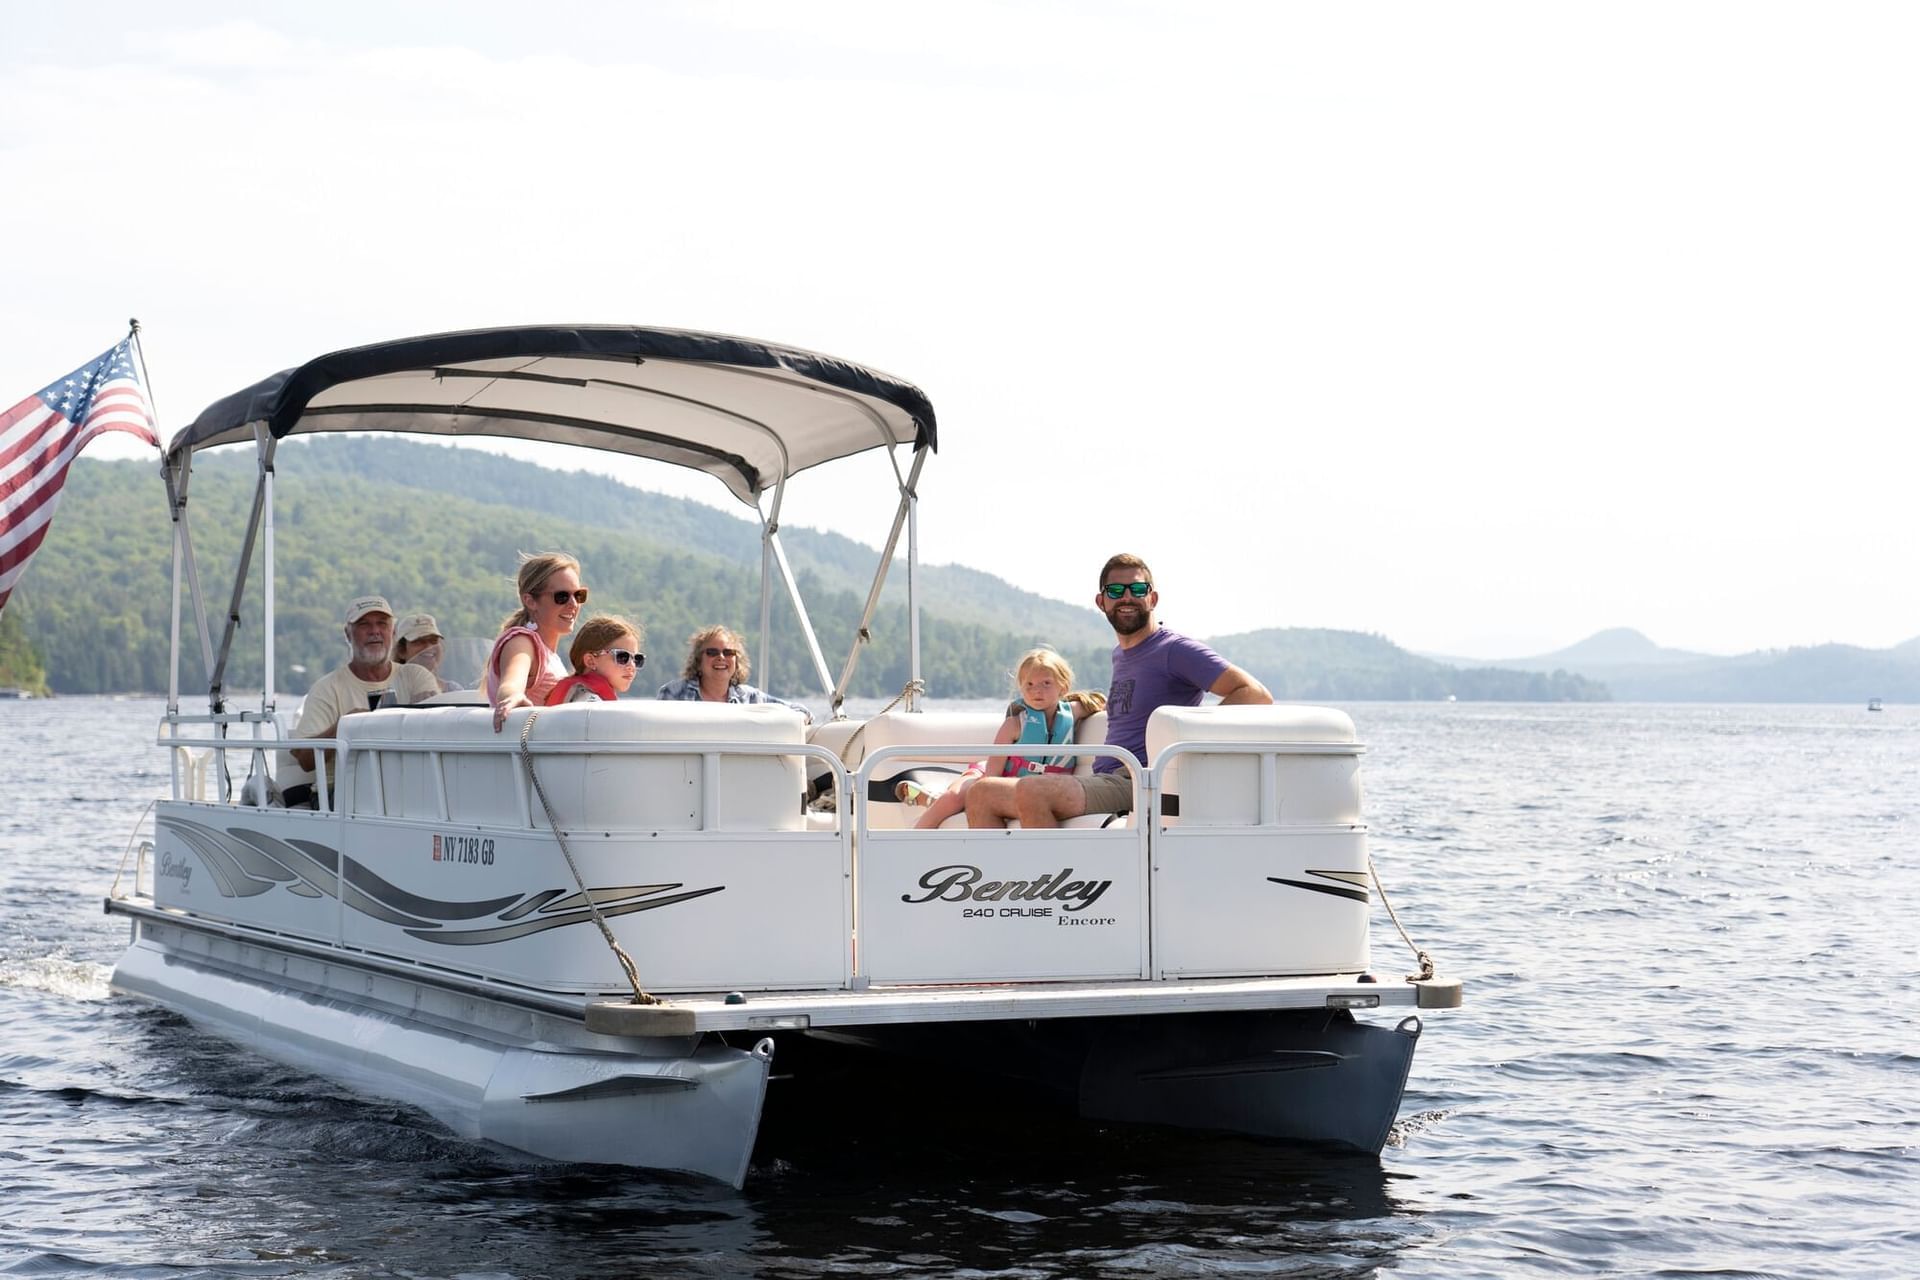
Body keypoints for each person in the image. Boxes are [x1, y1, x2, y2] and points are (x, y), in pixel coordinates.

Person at [965, 554, 1272, 828]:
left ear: (1152, 598)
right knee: (981, 793)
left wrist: (1189, 741)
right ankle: (1002, 877)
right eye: (1116, 591)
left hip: (1141, 780)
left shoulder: (1174, 650)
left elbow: (1255, 693)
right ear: (1102, 602)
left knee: (1034, 791)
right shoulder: (1121, 655)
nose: (1127, 597)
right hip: (1106, 777)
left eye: (1137, 589)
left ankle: (1051, 876)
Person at [903, 647, 1100, 830]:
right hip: (992, 775)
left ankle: (929, 798)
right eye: (1029, 684)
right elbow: (990, 778)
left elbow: (1102, 703)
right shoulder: (1013, 725)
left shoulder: (1073, 712)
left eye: (1046, 683)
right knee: (955, 797)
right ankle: (914, 837)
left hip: (1041, 789)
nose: (1037, 690)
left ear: (1063, 686)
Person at [279, 594, 440, 808]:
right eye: (364, 624)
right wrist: (345, 727)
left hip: (405, 786)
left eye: (382, 624)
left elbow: (439, 733)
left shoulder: (416, 677)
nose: (375, 631)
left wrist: (428, 711)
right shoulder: (327, 688)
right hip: (342, 791)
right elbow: (305, 760)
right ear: (348, 634)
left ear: (392, 632)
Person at [487, 553, 586, 731]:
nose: (573, 604)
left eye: (579, 595)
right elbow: (511, 683)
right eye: (562, 596)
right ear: (531, 601)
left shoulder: (549, 654)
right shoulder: (522, 642)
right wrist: (513, 696)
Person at [656, 625, 811, 721]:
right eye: (712, 652)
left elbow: (802, 711)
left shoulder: (751, 698)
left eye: (728, 652)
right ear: (698, 660)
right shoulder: (673, 693)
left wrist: (795, 721)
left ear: (737, 661)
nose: (721, 657)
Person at [545, 615, 645, 704]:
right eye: (622, 657)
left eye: (637, 659)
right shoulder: (590, 703)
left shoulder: (574, 695)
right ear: (590, 661)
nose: (632, 666)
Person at [393, 612, 464, 692]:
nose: (429, 647)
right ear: (401, 651)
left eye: (433, 641)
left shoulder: (453, 690)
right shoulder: (391, 691)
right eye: (419, 641)